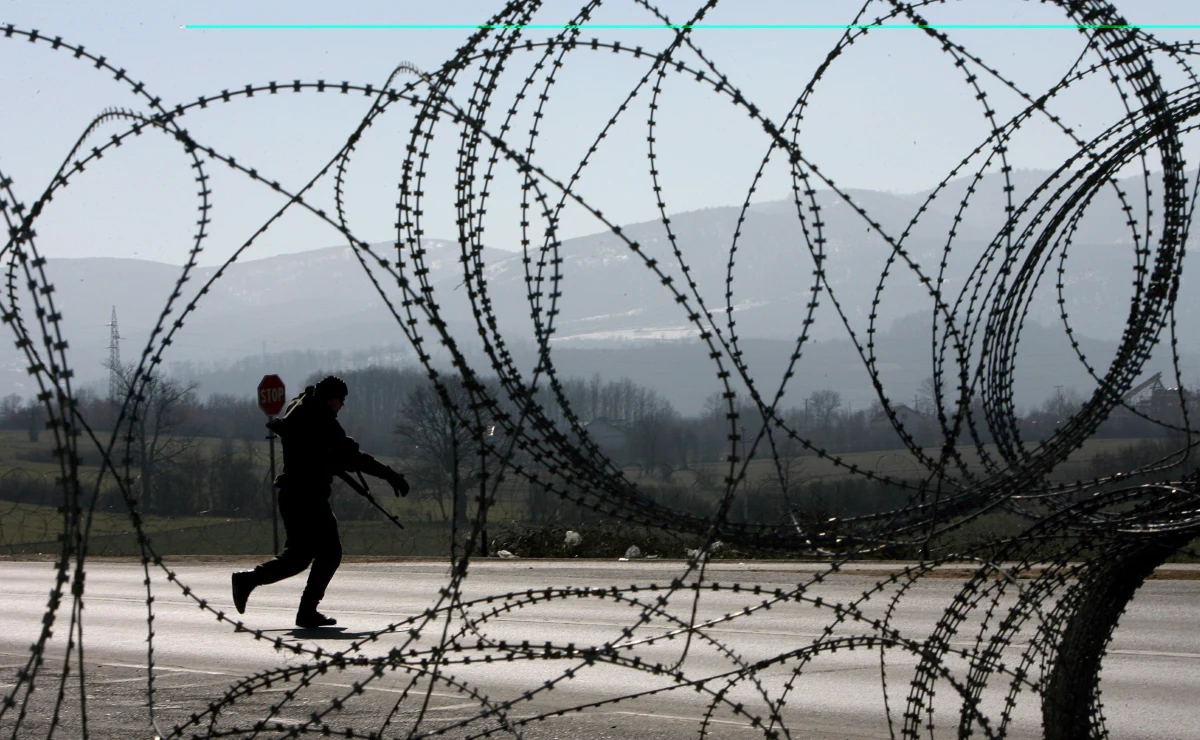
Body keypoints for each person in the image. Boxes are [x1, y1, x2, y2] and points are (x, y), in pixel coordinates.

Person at [231, 375, 409, 628]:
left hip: (294, 495)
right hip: (307, 497)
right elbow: (351, 457)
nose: (342, 405)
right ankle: (305, 611)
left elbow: (333, 455)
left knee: (298, 558)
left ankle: (249, 581)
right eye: (341, 400)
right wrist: (390, 474)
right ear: (331, 399)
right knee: (330, 553)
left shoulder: (303, 408)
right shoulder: (320, 419)